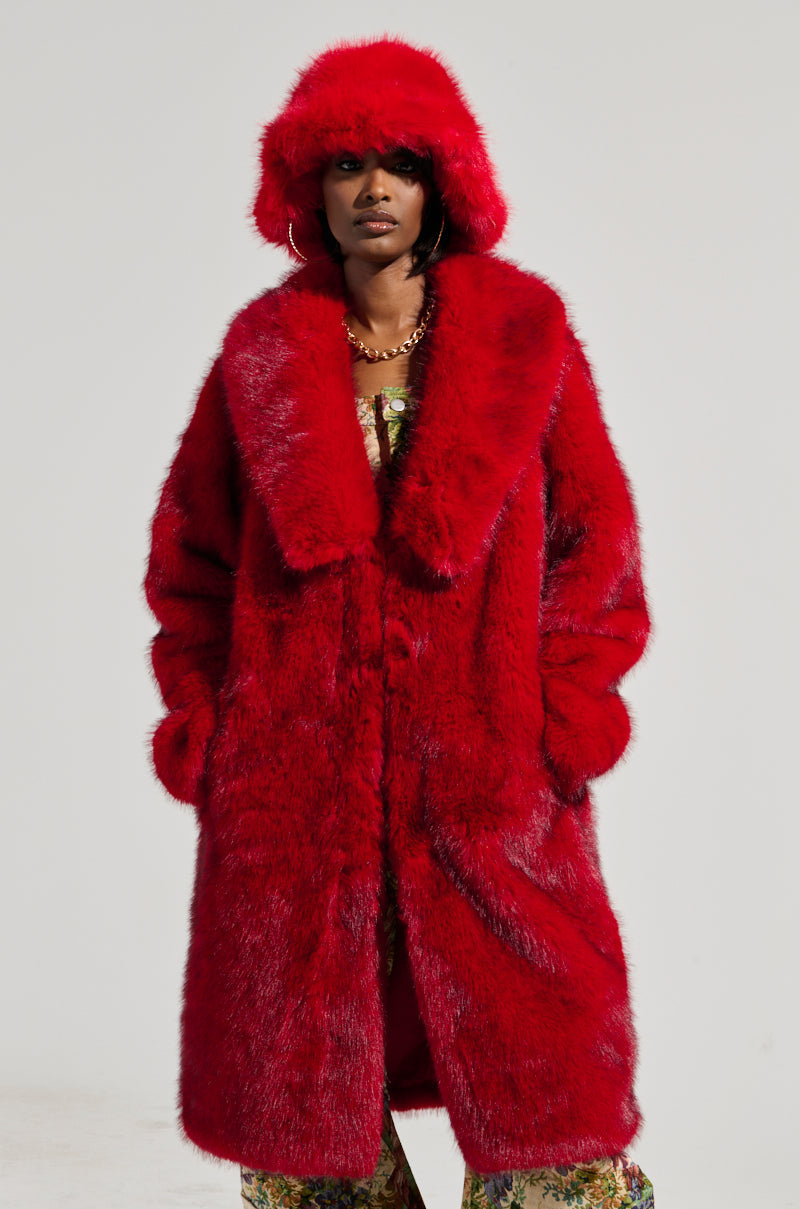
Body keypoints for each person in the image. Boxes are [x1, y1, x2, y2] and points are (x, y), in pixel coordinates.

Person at [142, 35, 655, 1209]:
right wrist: (211, 727)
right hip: (292, 792)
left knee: (544, 1100)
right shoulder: (259, 356)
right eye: (345, 165)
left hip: (487, 776)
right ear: (304, 187)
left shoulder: (524, 338)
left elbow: (597, 547)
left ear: (442, 183)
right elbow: (191, 566)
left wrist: (561, 712)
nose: (372, 189)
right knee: (305, 1126)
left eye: (399, 164)